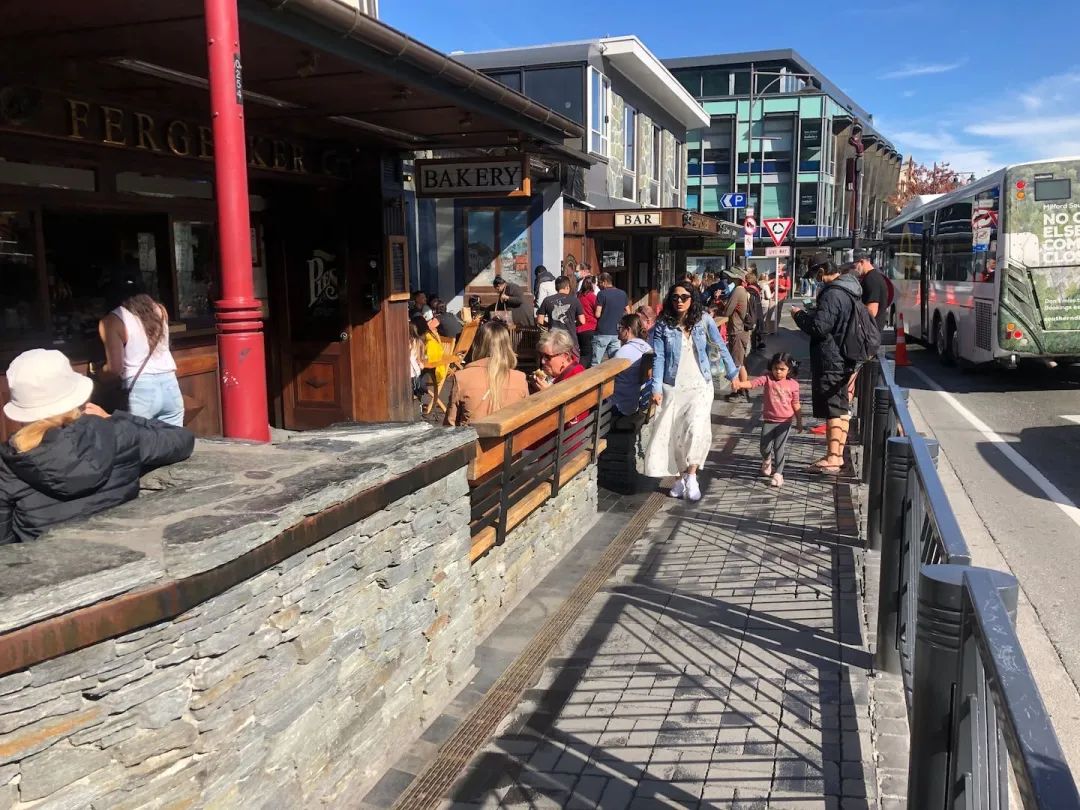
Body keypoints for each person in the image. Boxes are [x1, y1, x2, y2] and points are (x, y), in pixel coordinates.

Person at [0, 348, 194, 544]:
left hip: (48, 568)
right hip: (127, 554)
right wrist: (115, 417)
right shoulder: (117, 433)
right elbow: (182, 439)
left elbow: (5, 546)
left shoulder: (8, 463)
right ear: (76, 395)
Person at [645, 283, 739, 502]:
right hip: (673, 387)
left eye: (685, 297)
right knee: (675, 435)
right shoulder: (662, 325)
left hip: (700, 385)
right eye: (676, 297)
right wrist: (656, 387)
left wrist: (733, 373)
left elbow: (720, 346)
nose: (679, 301)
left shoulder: (703, 320)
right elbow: (659, 357)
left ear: (692, 299)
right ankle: (679, 477)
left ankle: (692, 475)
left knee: (696, 430)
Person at [791, 259, 863, 472]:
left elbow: (819, 327)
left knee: (833, 408)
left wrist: (799, 316)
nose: (816, 281)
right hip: (845, 356)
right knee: (841, 407)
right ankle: (837, 454)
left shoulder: (832, 294)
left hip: (831, 358)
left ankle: (833, 457)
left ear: (822, 272)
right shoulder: (849, 290)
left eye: (815, 276)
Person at [98, 275, 184, 426]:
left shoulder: (111, 321)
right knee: (173, 444)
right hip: (170, 385)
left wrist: (99, 373)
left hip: (140, 391)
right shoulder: (160, 310)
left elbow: (115, 369)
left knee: (141, 445)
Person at [732, 352, 804, 488]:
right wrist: (740, 385)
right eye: (776, 368)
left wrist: (799, 420)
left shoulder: (793, 385)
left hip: (785, 421)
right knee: (764, 447)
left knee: (779, 447)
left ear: (789, 370)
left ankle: (779, 474)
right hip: (769, 420)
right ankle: (766, 460)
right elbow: (753, 383)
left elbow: (796, 403)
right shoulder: (767, 378)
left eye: (782, 369)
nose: (778, 372)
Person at [444, 320, 528, 426]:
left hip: (473, 440)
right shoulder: (520, 378)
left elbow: (451, 423)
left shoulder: (462, 377)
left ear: (477, 345)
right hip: (510, 440)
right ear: (507, 346)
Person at [611, 314, 653, 418]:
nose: (617, 330)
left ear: (628, 330)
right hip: (638, 402)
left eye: (619, 327)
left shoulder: (623, 352)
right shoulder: (647, 347)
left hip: (622, 406)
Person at [720, 269, 751, 402]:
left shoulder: (738, 290)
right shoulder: (742, 290)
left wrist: (720, 304)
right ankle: (743, 390)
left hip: (737, 330)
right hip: (742, 330)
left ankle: (738, 392)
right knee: (741, 362)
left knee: (736, 364)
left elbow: (727, 311)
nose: (729, 279)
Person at [537, 275, 585, 352]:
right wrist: (572, 324)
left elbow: (540, 320)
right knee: (572, 362)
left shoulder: (547, 300)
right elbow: (582, 321)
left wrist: (549, 324)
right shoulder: (575, 300)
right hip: (570, 339)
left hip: (554, 339)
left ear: (556, 288)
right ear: (567, 287)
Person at [592, 272, 629, 365]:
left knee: (596, 362)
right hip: (617, 331)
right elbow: (628, 312)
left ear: (604, 282)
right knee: (615, 361)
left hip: (603, 331)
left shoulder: (601, 294)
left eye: (599, 283)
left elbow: (597, 314)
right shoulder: (622, 293)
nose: (598, 285)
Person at [853, 250, 890, 332]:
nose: (855, 270)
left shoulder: (871, 279)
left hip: (870, 330)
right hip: (872, 328)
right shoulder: (874, 276)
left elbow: (872, 310)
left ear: (861, 262)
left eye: (854, 266)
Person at [411, 310, 445, 393]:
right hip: (432, 371)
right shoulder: (429, 336)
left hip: (433, 374)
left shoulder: (429, 342)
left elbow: (428, 362)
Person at [576, 277, 598, 368]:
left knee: (582, 353)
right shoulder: (592, 296)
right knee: (588, 355)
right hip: (590, 327)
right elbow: (598, 310)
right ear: (592, 284)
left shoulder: (578, 296)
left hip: (579, 328)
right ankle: (580, 372)